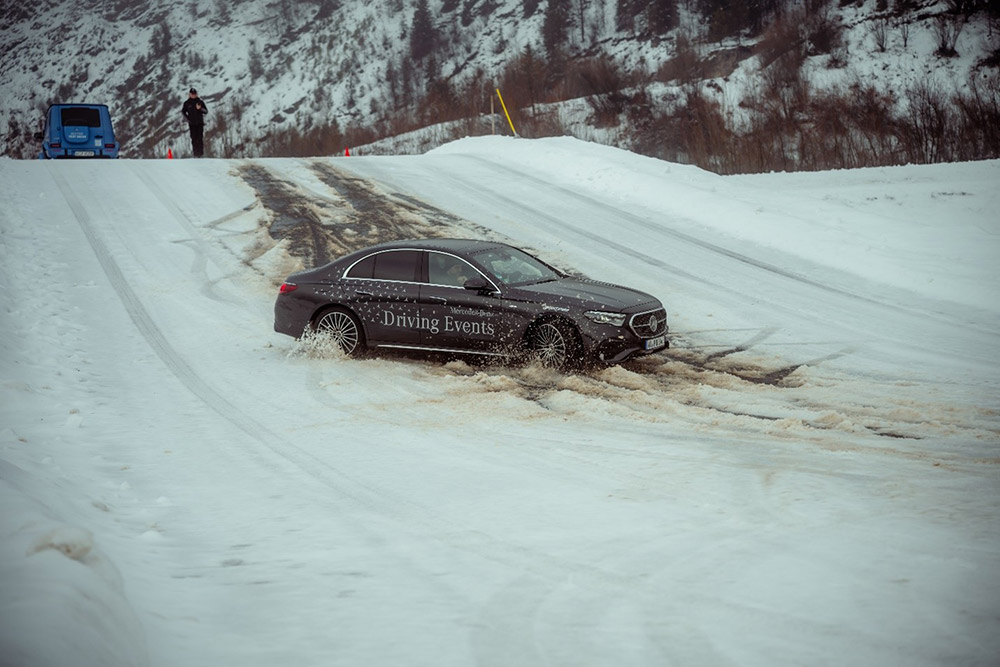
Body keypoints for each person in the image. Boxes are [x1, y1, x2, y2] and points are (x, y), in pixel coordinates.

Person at [181, 87, 208, 157]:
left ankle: (201, 154)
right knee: (193, 139)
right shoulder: (187, 103)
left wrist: (200, 108)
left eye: (195, 94)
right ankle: (195, 154)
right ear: (189, 94)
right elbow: (183, 112)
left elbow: (206, 111)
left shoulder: (200, 102)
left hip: (200, 123)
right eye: (192, 94)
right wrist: (188, 119)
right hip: (192, 124)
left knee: (200, 139)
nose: (193, 95)